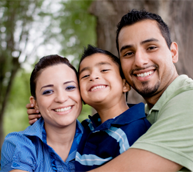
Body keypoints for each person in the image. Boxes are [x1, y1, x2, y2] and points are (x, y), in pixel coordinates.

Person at [27, 10, 193, 172]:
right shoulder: (148, 114)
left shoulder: (188, 102)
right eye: (128, 53)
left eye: (151, 47)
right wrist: (49, 116)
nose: (140, 61)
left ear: (173, 53)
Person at [0, 55, 84, 172]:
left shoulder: (100, 135)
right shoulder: (19, 143)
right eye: (48, 91)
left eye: (70, 87)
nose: (61, 98)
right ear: (35, 103)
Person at [74, 45, 151, 171]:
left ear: (125, 85)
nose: (93, 76)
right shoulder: (86, 127)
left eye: (104, 70)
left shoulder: (134, 130)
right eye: (85, 76)